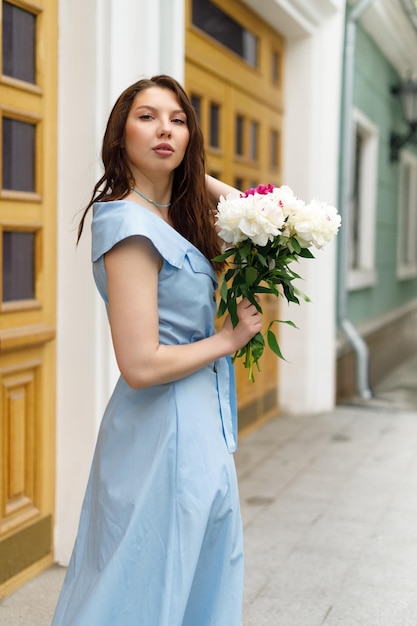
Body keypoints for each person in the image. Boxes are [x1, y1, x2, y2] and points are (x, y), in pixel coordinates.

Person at [51, 74, 262, 626]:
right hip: (162, 428)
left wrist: (194, 175)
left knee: (197, 567)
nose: (164, 128)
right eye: (146, 117)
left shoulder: (173, 216)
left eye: (178, 119)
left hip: (197, 420)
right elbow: (140, 364)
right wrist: (230, 339)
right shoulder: (127, 224)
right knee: (146, 581)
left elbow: (267, 218)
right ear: (120, 136)